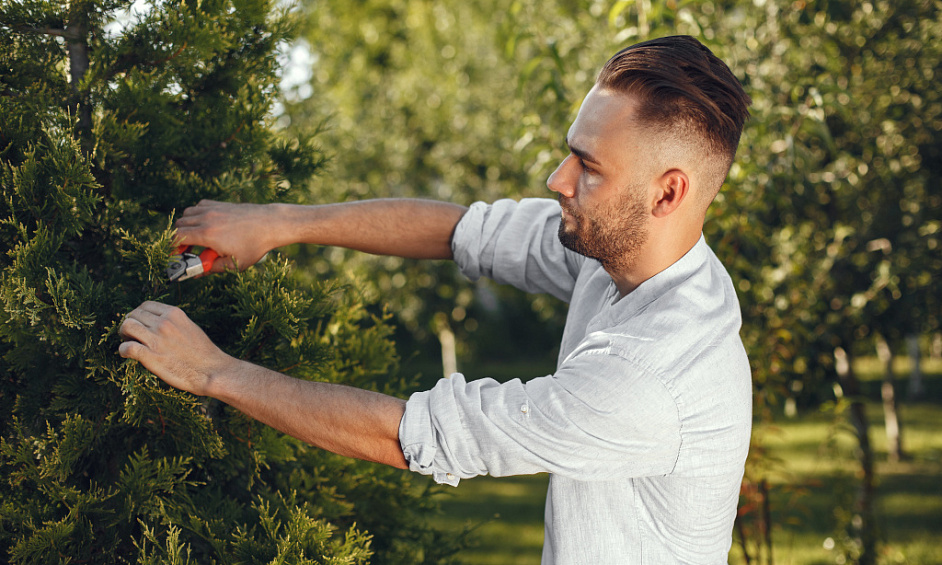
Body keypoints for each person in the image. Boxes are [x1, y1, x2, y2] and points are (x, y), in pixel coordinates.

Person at [119, 35, 753, 564]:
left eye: (588, 167)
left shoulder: (652, 376)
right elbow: (460, 230)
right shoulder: (626, 254)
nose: (557, 179)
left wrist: (213, 371)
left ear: (668, 193)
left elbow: (415, 437)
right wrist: (281, 223)